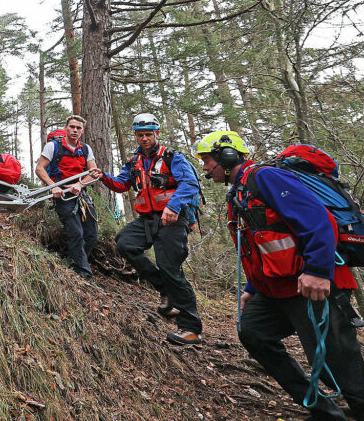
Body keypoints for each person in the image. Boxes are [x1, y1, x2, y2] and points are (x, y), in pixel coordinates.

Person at [197, 130, 364, 421]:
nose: (205, 168)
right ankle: (324, 411)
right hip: (274, 289)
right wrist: (251, 286)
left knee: (336, 364)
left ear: (227, 156)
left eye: (207, 159)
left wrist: (317, 272)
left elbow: (318, 222)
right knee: (254, 333)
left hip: (314, 284)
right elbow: (257, 244)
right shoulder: (238, 192)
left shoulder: (266, 178)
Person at [101, 113, 203, 345]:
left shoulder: (172, 157)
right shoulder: (134, 161)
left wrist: (173, 207)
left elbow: (190, 183)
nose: (144, 138)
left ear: (157, 133)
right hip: (147, 218)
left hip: (173, 219)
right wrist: (102, 176)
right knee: (125, 243)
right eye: (140, 135)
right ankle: (163, 288)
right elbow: (121, 184)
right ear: (135, 136)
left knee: (171, 269)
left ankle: (191, 328)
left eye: (148, 134)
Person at [35, 115, 102, 280]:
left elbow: (93, 173)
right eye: (72, 127)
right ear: (66, 128)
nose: (75, 130)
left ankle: (73, 262)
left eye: (78, 128)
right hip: (63, 196)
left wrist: (80, 185)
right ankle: (84, 275)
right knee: (76, 233)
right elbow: (40, 168)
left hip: (81, 195)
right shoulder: (53, 146)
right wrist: (53, 186)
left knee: (91, 234)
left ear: (82, 131)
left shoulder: (86, 149)